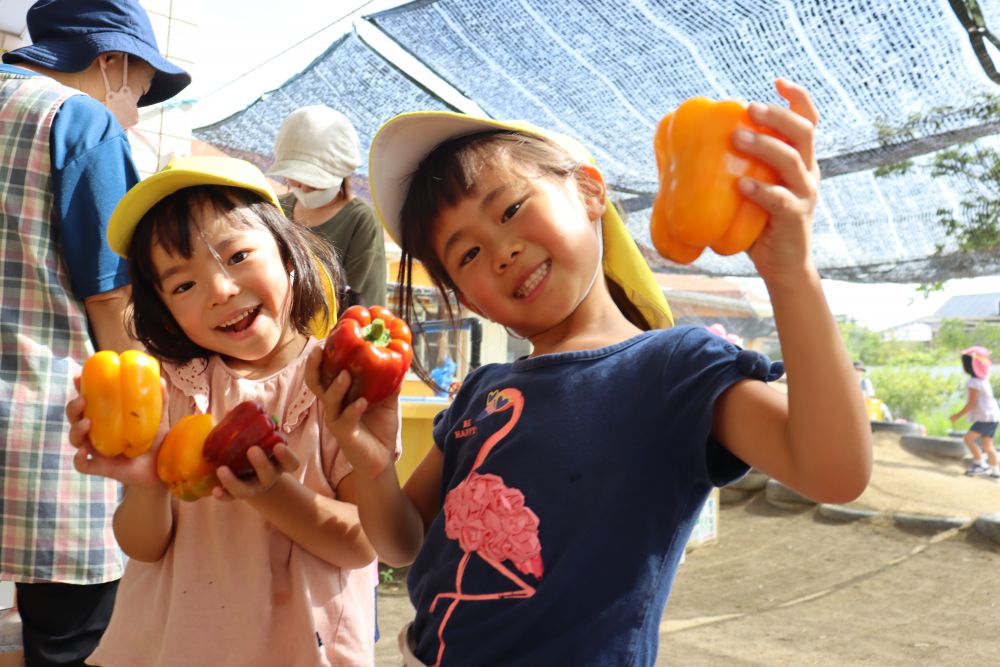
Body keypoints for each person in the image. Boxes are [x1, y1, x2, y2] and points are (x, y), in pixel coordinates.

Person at [304, 79, 872, 665]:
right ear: (467, 300)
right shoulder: (481, 392)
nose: (501, 252)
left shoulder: (672, 369)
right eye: (467, 254)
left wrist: (791, 272)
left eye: (512, 209)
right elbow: (402, 543)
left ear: (589, 192)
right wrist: (372, 464)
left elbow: (833, 473)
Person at [65, 156, 381, 665]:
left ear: (288, 253)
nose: (220, 291)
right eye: (183, 285)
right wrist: (146, 484)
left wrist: (272, 493)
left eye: (236, 257)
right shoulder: (170, 385)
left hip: (298, 648)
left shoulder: (338, 381)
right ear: (164, 309)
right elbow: (144, 547)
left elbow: (363, 542)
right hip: (173, 646)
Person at [0, 1, 190, 663]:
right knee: (70, 640)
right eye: (139, 85)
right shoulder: (76, 118)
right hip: (50, 434)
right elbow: (110, 296)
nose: (135, 105)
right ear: (109, 60)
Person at [268, 105, 388, 308]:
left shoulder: (360, 221)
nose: (304, 187)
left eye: (314, 181)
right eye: (296, 179)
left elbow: (355, 304)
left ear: (339, 171)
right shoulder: (276, 209)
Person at [950, 346, 1000, 478]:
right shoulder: (984, 381)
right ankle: (995, 471)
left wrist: (957, 415)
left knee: (968, 439)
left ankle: (980, 464)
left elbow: (972, 403)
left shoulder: (974, 383)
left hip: (985, 417)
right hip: (993, 417)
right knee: (988, 445)